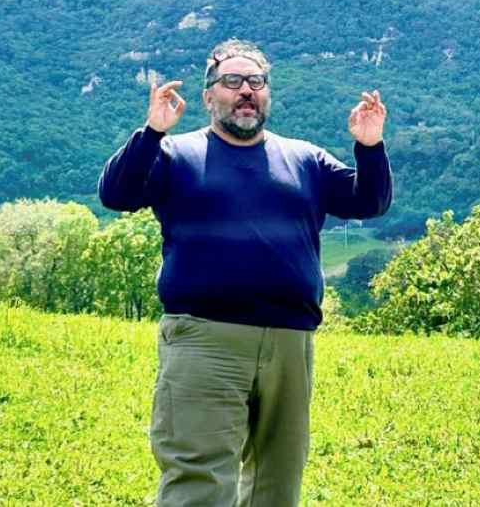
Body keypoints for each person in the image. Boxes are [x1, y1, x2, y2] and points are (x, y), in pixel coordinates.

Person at [99, 39, 392, 507]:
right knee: (199, 482)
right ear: (208, 96)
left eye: (255, 81)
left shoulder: (305, 159)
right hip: (204, 340)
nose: (245, 91)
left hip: (290, 343)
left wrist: (370, 145)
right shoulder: (175, 154)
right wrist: (151, 132)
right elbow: (116, 193)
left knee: (278, 485)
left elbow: (368, 201)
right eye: (231, 81)